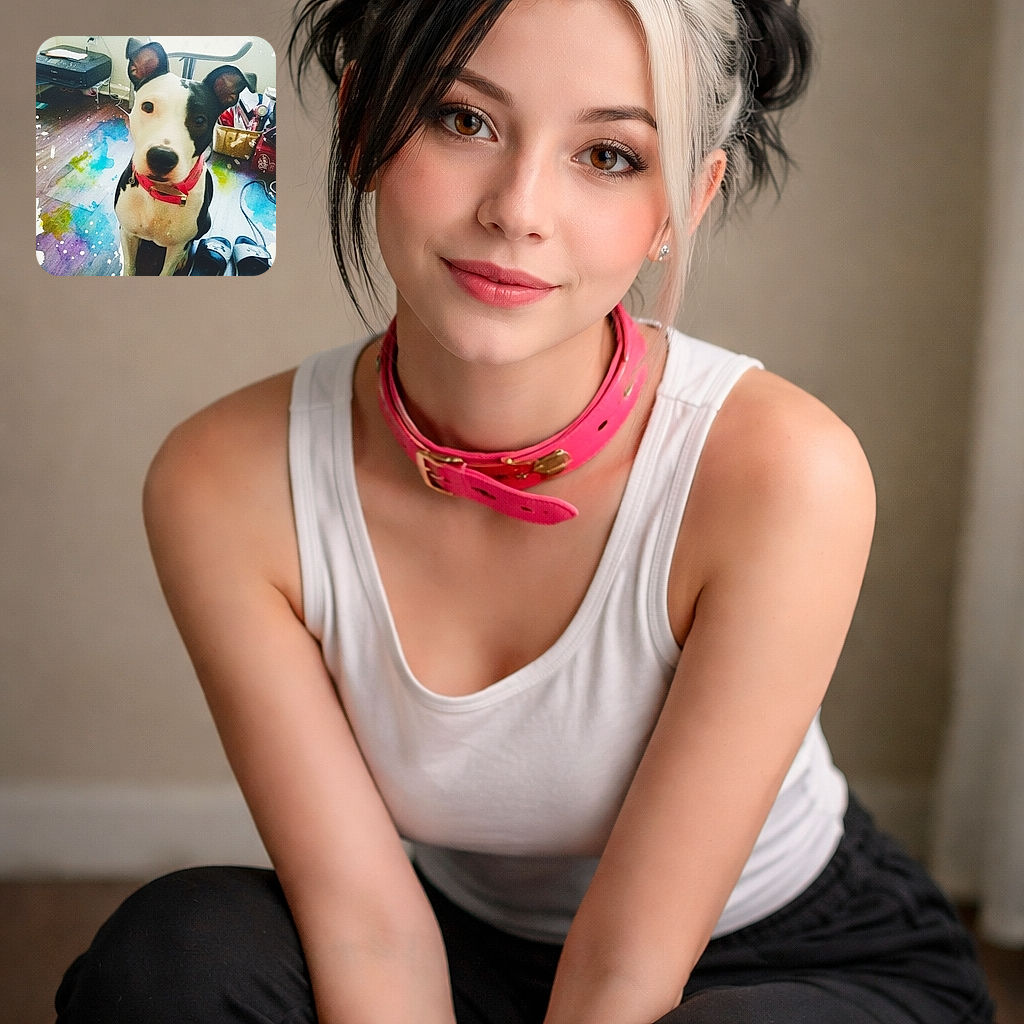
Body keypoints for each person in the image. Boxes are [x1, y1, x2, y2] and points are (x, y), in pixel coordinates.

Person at [55, 1, 995, 1022]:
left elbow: (625, 969)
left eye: (607, 154)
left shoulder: (783, 471)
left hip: (789, 959)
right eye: (464, 120)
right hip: (454, 939)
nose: (517, 208)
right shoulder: (225, 479)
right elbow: (370, 929)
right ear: (368, 124)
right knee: (176, 957)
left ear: (686, 199)